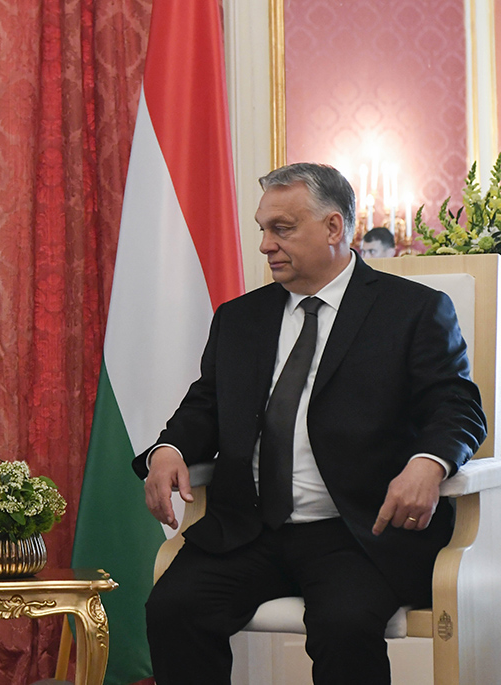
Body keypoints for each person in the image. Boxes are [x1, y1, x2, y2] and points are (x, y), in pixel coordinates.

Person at [135, 163, 486, 684]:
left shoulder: (412, 311)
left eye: (282, 228)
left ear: (333, 228)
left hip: (358, 532)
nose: (265, 245)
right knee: (174, 608)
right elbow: (206, 406)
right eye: (262, 228)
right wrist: (168, 449)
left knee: (344, 627)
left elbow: (457, 405)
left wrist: (429, 463)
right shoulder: (240, 318)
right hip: (248, 530)